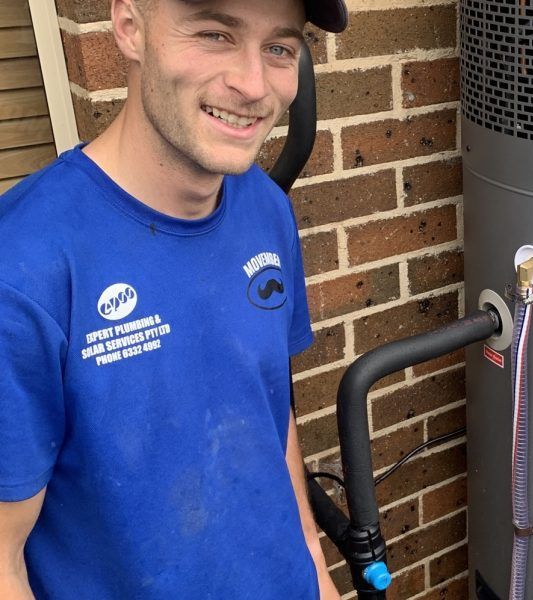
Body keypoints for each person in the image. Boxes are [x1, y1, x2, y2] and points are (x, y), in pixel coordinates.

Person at [0, 0, 347, 597]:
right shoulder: (24, 268)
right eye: (214, 33)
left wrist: (314, 563)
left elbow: (268, 407)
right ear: (130, 27)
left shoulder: (265, 207)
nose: (252, 84)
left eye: (280, 48)